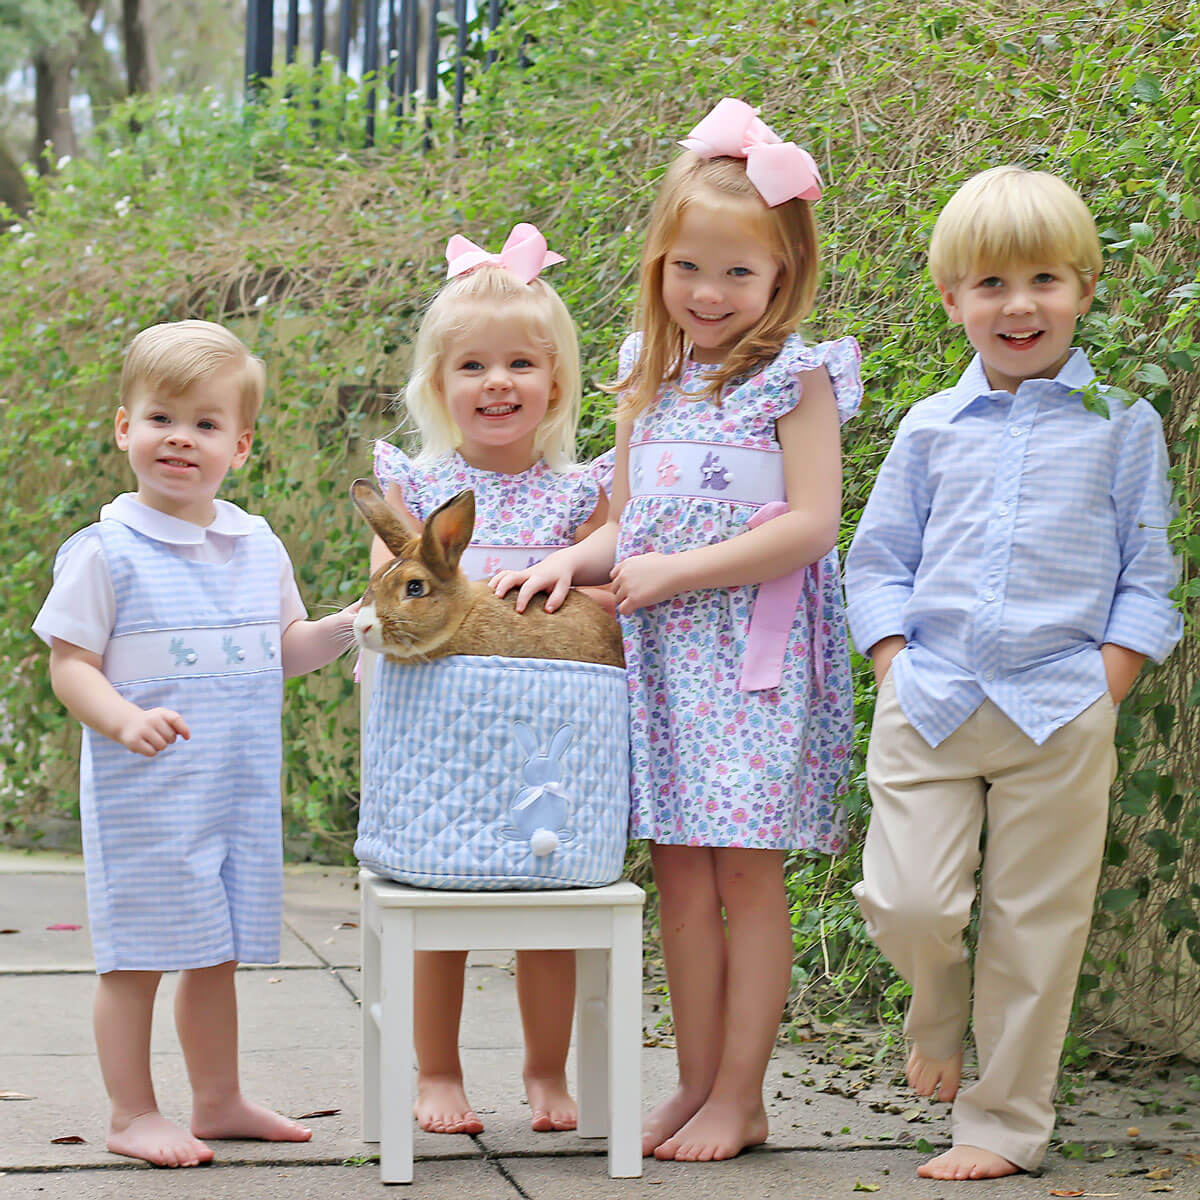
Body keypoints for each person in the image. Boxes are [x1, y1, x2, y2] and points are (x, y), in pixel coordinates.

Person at [493, 98, 862, 1161]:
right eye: (688, 268)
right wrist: (574, 557)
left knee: (746, 875)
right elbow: (626, 524)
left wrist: (675, 573)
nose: (710, 293)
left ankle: (744, 1094)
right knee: (681, 879)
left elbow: (810, 524)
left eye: (739, 274)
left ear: (783, 277)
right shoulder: (646, 378)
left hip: (751, 661)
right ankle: (695, 1086)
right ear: (659, 265)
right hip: (663, 659)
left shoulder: (799, 377)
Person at [845, 165, 1182, 1181]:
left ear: (1083, 289)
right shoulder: (927, 429)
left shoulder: (1124, 425)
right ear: (953, 300)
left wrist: (1109, 681)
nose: (1018, 304)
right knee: (906, 901)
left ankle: (1001, 1125)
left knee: (1039, 930)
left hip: (1060, 705)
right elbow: (877, 564)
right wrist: (895, 662)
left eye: (1043, 279)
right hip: (933, 700)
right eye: (990, 284)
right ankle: (937, 1009)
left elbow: (1148, 570)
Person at [33, 320, 360, 1169]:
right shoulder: (106, 553)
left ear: (239, 445)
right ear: (124, 428)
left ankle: (218, 1099)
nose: (181, 437)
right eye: (161, 418)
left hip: (236, 788)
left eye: (206, 424)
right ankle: (131, 1111)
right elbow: (71, 666)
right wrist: (120, 718)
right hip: (148, 795)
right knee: (137, 959)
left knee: (216, 954)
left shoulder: (257, 546)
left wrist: (346, 627)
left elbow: (286, 649)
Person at [367, 222, 609, 1136]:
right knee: (443, 897)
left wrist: (584, 566)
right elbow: (393, 600)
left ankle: (546, 1073)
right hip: (440, 731)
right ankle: (438, 1071)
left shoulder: (578, 493)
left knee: (549, 906)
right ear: (439, 386)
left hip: (548, 735)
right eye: (472, 367)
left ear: (553, 384)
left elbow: (605, 593)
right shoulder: (412, 489)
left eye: (519, 364)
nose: (497, 382)